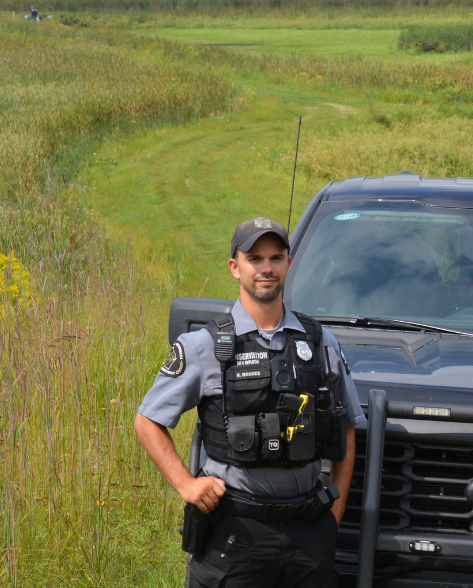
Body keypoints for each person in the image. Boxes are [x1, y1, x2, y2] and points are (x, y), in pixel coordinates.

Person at [135, 216, 364, 588]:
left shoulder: (321, 343)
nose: (266, 268)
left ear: (289, 264)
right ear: (234, 266)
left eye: (276, 258)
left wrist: (334, 515)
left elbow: (348, 427)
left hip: (309, 533)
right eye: (255, 258)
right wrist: (186, 485)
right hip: (235, 533)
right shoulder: (205, 346)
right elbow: (148, 420)